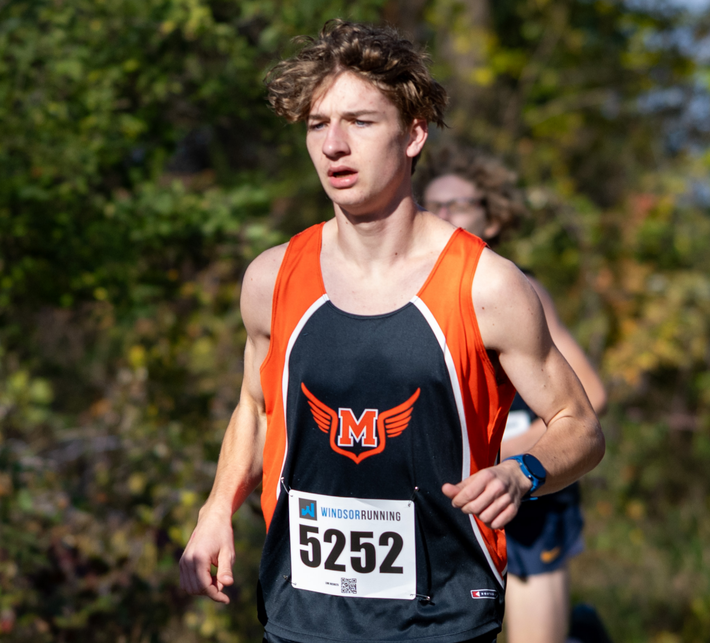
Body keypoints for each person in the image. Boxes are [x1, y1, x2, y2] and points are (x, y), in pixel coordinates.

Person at [177, 21, 603, 643]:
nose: (334, 145)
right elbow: (257, 408)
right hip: (301, 613)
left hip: (442, 618)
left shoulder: (486, 286)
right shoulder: (272, 278)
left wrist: (523, 473)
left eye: (360, 122)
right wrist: (217, 508)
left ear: (413, 134)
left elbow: (580, 425)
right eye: (318, 125)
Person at [419, 145, 611, 643]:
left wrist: (509, 459)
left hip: (529, 496)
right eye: (433, 205)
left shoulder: (520, 289)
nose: (444, 215)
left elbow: (591, 397)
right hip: (451, 504)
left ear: (494, 218)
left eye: (459, 204)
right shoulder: (410, 300)